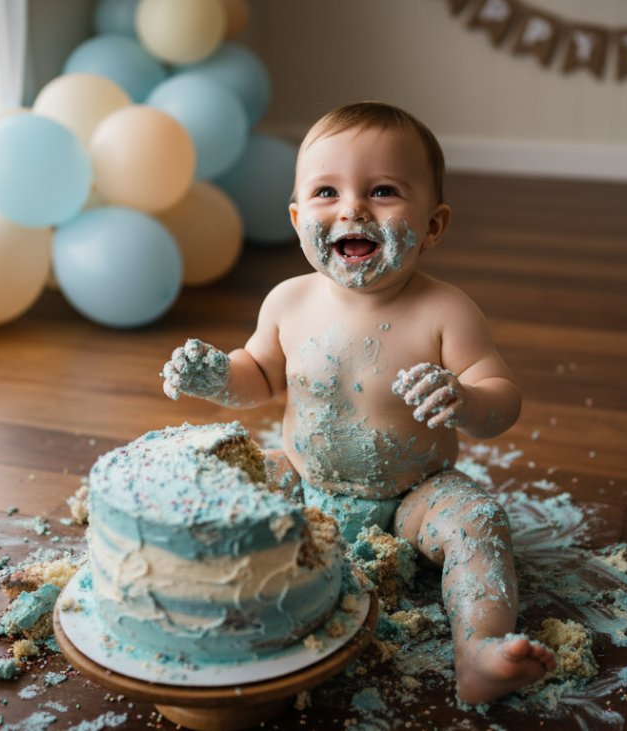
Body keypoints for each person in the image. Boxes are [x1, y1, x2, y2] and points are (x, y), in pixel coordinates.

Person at [160, 101, 556, 704]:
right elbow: (259, 375)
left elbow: (504, 400)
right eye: (326, 192)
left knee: (479, 521)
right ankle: (190, 597)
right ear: (297, 219)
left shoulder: (446, 312)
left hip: (414, 493)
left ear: (433, 225)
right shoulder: (288, 303)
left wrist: (468, 400)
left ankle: (478, 649)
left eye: (383, 190)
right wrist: (217, 376)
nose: (352, 208)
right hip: (305, 478)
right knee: (220, 480)